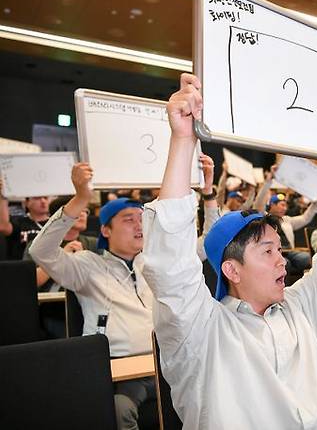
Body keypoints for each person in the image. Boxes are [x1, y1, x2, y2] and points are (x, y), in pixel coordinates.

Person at [141, 73, 317, 428]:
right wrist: (182, 140)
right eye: (267, 251)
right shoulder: (200, 333)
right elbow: (170, 265)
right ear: (231, 270)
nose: (282, 260)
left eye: (279, 249)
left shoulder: (300, 310)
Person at [29, 153, 218, 430]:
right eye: (128, 219)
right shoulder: (86, 267)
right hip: (121, 371)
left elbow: (209, 243)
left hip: (168, 363)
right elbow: (40, 251)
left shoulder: (157, 260)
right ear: (105, 229)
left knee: (215, 396)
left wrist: (209, 193)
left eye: (142, 218)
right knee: (119, 411)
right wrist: (81, 199)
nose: (139, 224)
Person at [0, 183, 51, 259]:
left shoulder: (56, 222)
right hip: (22, 268)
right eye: (37, 198)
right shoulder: (18, 221)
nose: (43, 201)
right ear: (26, 203)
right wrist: (2, 196)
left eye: (45, 198)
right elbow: (4, 227)